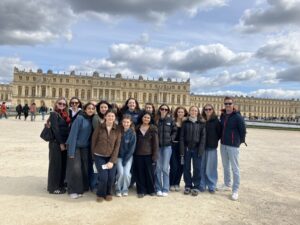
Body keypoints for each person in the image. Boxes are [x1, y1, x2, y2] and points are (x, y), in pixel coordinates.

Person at [218, 96, 246, 201]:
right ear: (224, 104)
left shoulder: (238, 116)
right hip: (224, 144)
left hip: (233, 145)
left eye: (229, 103)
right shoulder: (223, 115)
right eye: (226, 104)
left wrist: (239, 141)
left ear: (233, 104)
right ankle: (227, 184)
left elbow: (243, 130)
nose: (228, 105)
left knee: (235, 168)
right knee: (225, 166)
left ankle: (235, 190)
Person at [66, 102, 95, 199]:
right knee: (75, 168)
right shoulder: (79, 118)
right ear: (85, 109)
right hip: (76, 146)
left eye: (92, 108)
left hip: (85, 147)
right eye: (89, 108)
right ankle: (72, 190)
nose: (91, 110)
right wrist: (71, 152)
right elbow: (73, 135)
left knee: (84, 168)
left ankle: (81, 188)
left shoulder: (91, 119)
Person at [92, 110, 121, 202]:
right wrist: (93, 156)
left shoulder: (117, 129)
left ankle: (108, 193)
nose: (111, 118)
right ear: (105, 117)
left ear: (115, 118)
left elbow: (117, 146)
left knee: (111, 177)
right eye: (109, 116)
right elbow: (93, 141)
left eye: (112, 116)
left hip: (111, 156)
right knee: (104, 176)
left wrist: (112, 161)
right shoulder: (99, 127)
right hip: (99, 156)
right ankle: (100, 194)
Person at [180, 106, 206, 196]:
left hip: (197, 148)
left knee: (197, 168)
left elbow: (203, 138)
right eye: (192, 110)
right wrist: (182, 150)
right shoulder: (185, 123)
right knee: (186, 168)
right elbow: (182, 137)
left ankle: (196, 186)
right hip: (187, 148)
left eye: (195, 110)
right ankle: (188, 185)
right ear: (189, 112)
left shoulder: (201, 123)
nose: (194, 112)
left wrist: (201, 150)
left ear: (198, 112)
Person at [47, 97, 70, 194]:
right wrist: (61, 143)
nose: (62, 105)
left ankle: (60, 185)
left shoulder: (65, 115)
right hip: (56, 143)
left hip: (63, 143)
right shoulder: (54, 114)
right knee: (55, 165)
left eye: (64, 104)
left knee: (61, 165)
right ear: (56, 104)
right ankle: (53, 188)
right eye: (60, 103)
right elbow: (56, 130)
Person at [134, 112, 159, 198]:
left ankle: (151, 190)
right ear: (142, 118)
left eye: (148, 118)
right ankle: (141, 190)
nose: (146, 119)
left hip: (149, 154)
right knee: (139, 173)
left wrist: (155, 156)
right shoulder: (137, 128)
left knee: (149, 173)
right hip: (138, 153)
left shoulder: (153, 128)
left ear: (150, 119)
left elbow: (155, 143)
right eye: (145, 117)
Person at [154, 104, 177, 197]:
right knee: (158, 168)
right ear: (159, 110)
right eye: (162, 109)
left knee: (165, 168)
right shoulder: (156, 120)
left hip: (167, 147)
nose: (163, 110)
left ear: (168, 111)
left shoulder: (171, 120)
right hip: (158, 146)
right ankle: (158, 188)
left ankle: (165, 188)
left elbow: (175, 130)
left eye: (165, 109)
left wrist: (171, 139)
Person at [200, 104, 221, 194]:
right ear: (204, 110)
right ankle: (202, 184)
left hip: (211, 147)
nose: (208, 111)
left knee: (211, 167)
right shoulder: (201, 121)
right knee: (201, 167)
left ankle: (212, 185)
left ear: (212, 110)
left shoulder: (216, 121)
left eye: (209, 109)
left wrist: (214, 141)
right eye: (206, 109)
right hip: (201, 147)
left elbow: (219, 133)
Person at [115, 115, 136, 197]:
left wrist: (126, 159)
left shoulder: (132, 133)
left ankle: (125, 189)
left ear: (130, 123)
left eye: (127, 122)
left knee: (127, 174)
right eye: (124, 122)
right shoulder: (118, 131)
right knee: (120, 173)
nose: (126, 123)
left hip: (128, 157)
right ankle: (118, 189)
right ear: (122, 122)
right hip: (119, 156)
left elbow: (132, 148)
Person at [170, 106, 188, 192]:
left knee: (181, 166)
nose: (180, 113)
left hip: (183, 146)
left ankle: (177, 183)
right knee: (174, 166)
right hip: (173, 145)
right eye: (179, 112)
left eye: (182, 112)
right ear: (176, 113)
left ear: (184, 113)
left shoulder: (186, 123)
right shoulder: (172, 122)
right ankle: (171, 183)